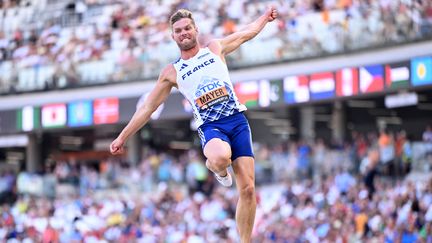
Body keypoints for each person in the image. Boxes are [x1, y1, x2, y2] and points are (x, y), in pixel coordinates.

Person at [110, 6, 278, 242]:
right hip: (211, 126)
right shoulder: (172, 71)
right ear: (173, 36)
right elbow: (148, 107)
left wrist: (263, 19)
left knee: (248, 190)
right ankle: (217, 169)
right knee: (220, 157)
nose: (183, 33)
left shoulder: (215, 49)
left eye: (187, 28)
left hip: (237, 121)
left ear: (195, 29)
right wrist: (122, 137)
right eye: (178, 30)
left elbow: (245, 33)